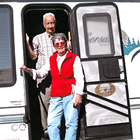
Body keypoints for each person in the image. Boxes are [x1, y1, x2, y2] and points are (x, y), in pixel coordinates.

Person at [20, 33, 84, 140]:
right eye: (57, 43)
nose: (59, 45)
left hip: (71, 95)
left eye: (62, 43)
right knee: (52, 124)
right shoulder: (51, 59)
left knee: (71, 124)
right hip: (56, 96)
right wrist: (29, 70)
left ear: (66, 44)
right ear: (54, 46)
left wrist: (78, 94)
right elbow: (41, 72)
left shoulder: (74, 58)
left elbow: (79, 77)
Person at [25, 12, 56, 137]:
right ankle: (47, 130)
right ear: (44, 25)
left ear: (55, 23)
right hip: (43, 76)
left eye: (52, 23)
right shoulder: (38, 38)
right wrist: (27, 43)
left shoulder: (60, 37)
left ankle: (58, 127)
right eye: (48, 23)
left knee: (59, 101)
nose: (50, 26)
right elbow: (33, 57)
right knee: (45, 103)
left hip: (59, 76)